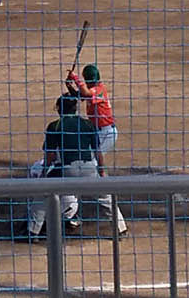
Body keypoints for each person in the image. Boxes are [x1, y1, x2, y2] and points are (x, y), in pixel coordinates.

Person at [25, 93, 126, 240]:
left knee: (42, 194)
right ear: (75, 108)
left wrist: (44, 175)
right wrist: (102, 172)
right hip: (89, 169)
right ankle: (121, 229)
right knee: (106, 198)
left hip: (67, 170)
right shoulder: (87, 124)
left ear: (59, 108)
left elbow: (50, 156)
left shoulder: (55, 126)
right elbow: (98, 152)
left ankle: (33, 232)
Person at [64, 63, 127, 233]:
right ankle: (71, 212)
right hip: (97, 133)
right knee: (85, 165)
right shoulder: (93, 88)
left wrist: (75, 78)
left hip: (106, 133)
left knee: (86, 165)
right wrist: (70, 86)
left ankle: (101, 182)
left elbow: (85, 93)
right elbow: (80, 96)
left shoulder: (99, 89)